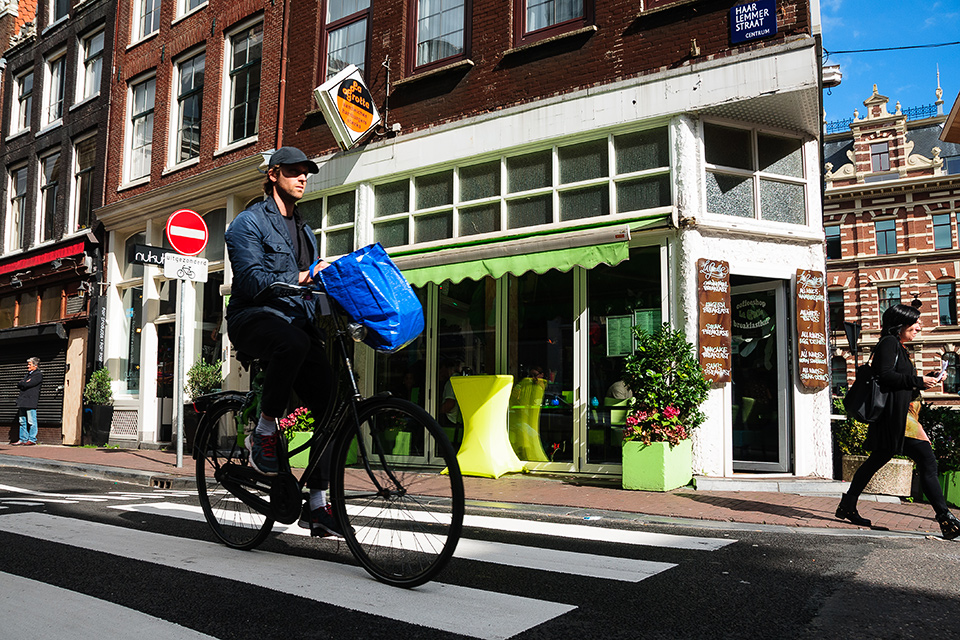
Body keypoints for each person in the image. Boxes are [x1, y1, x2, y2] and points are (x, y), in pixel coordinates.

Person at [224, 146, 342, 537]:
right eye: (294, 171)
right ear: (273, 174)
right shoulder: (248, 223)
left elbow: (315, 284)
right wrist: (306, 277)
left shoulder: (306, 230)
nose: (303, 177)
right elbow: (255, 282)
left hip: (296, 323)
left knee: (331, 402)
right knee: (290, 343)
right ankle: (264, 428)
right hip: (252, 318)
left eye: (306, 172)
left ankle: (318, 505)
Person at [836, 304, 960, 540]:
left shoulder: (899, 347)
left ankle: (847, 505)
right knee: (927, 460)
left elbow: (901, 379)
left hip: (902, 415)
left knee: (877, 459)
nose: (919, 326)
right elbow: (885, 376)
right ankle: (946, 519)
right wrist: (917, 381)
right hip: (897, 417)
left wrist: (927, 379)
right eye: (915, 323)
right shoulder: (889, 343)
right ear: (900, 325)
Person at [12, 357, 43, 446]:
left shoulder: (38, 375)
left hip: (30, 401)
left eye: (29, 364)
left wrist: (24, 383)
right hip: (23, 401)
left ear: (35, 365)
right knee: (22, 421)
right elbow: (20, 384)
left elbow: (28, 384)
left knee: (31, 421)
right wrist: (24, 382)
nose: (27, 366)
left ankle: (32, 439)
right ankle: (22, 439)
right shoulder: (28, 375)